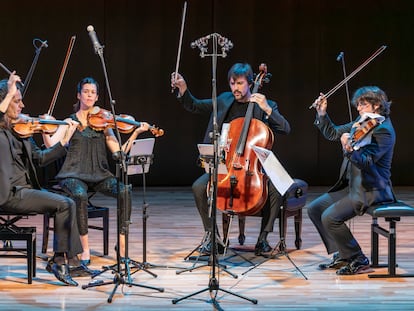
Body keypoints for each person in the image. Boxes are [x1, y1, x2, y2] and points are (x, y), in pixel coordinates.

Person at [171, 63, 291, 256]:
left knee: (276, 190)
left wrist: (267, 109)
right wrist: (184, 89)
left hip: (254, 165)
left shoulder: (264, 104)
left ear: (251, 83)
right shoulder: (225, 99)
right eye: (232, 83)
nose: (235, 87)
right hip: (226, 164)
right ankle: (213, 237)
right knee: (199, 187)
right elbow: (195, 105)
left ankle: (263, 239)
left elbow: (285, 129)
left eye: (240, 83)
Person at [42, 77, 150, 266]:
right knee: (79, 195)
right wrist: (44, 128)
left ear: (97, 97)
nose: (89, 95)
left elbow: (119, 152)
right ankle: (85, 249)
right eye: (86, 91)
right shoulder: (70, 121)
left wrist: (135, 133)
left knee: (125, 191)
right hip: (73, 174)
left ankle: (122, 248)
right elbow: (51, 145)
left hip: (99, 174)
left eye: (93, 92)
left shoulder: (104, 123)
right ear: (79, 95)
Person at [0, 72, 83, 286]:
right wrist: (9, 93)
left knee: (67, 202)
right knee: (65, 204)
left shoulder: (22, 131)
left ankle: (64, 260)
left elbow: (41, 158)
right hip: (7, 193)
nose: (22, 105)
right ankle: (63, 262)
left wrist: (64, 141)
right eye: (16, 101)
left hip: (24, 190)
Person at [307, 86, 396, 275]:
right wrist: (322, 114)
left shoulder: (384, 131)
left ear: (377, 104)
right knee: (315, 208)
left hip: (370, 190)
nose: (358, 108)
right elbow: (334, 133)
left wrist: (348, 149)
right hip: (352, 186)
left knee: (330, 217)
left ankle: (358, 259)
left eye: (362, 104)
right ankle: (343, 253)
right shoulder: (363, 121)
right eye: (358, 105)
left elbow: (366, 163)